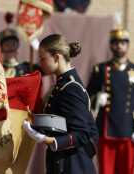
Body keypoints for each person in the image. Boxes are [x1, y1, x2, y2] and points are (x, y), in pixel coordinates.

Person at [23, 34, 98, 174]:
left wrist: (49, 140)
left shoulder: (71, 88)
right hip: (61, 163)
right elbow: (61, 124)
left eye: (42, 58)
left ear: (56, 57)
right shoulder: (61, 86)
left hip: (74, 166)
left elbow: (82, 134)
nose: (40, 64)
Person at [86, 29, 134, 174]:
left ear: (127, 46)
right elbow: (88, 96)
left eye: (122, 43)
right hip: (106, 129)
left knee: (126, 170)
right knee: (106, 171)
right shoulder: (101, 69)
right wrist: (98, 98)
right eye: (116, 43)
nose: (119, 46)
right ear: (111, 46)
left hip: (128, 129)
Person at [0, 12, 41, 78]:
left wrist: (38, 48)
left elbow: (45, 68)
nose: (10, 47)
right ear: (1, 49)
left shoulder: (26, 67)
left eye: (13, 44)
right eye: (7, 44)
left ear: (18, 49)